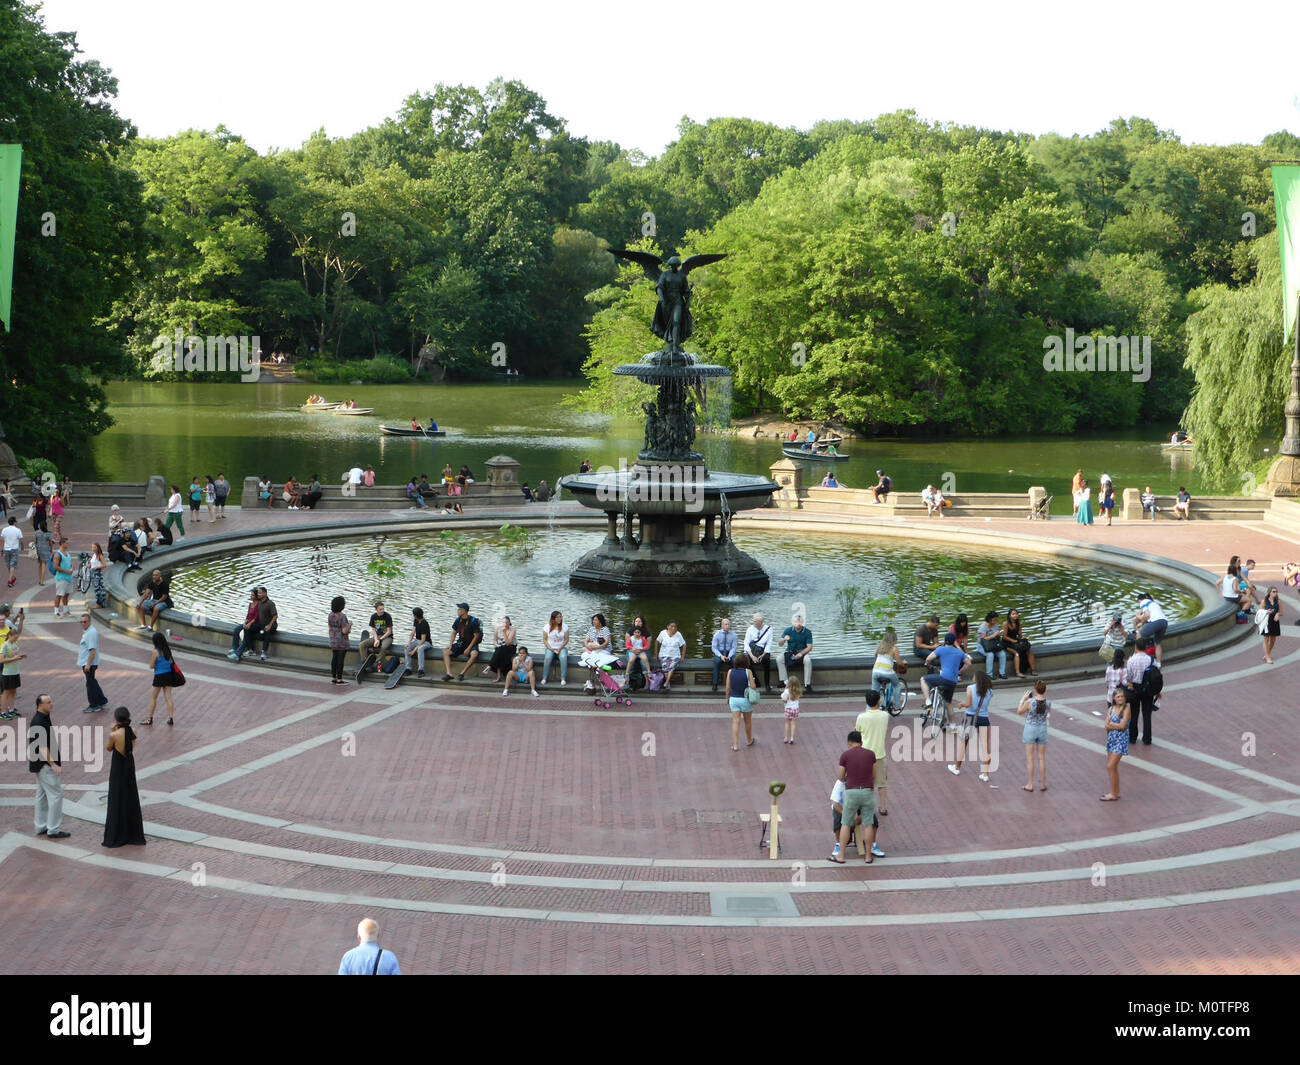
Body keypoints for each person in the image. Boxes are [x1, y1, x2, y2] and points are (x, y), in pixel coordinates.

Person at [829, 731, 877, 864]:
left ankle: (841, 856)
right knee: (868, 824)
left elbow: (840, 776)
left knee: (845, 823)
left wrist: (848, 778)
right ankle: (867, 856)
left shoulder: (845, 755)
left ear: (849, 743)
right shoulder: (870, 754)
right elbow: (874, 774)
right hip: (867, 791)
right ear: (861, 742)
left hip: (852, 791)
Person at [102, 707, 146, 848]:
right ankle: (133, 833)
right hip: (129, 763)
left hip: (118, 766)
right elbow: (131, 747)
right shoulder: (133, 731)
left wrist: (112, 731)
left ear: (116, 719)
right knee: (130, 795)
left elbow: (109, 748)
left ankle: (117, 833)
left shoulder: (115, 735)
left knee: (117, 796)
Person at [30, 694, 70, 838]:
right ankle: (53, 829)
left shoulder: (41, 718)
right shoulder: (39, 722)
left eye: (51, 701)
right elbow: (42, 746)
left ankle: (40, 826)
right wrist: (53, 764)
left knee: (41, 796)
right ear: (40, 705)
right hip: (45, 765)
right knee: (56, 795)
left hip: (39, 765)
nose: (51, 704)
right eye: (48, 702)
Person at [854, 689, 891, 827]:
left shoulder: (861, 717)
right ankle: (882, 807)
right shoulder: (884, 716)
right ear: (878, 701)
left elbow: (857, 732)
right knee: (881, 783)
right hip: (879, 754)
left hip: (864, 754)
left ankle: (864, 807)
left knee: (863, 783)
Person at [948, 671, 993, 780]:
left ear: (976, 679)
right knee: (985, 746)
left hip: (970, 718)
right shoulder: (990, 691)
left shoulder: (970, 688)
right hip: (983, 718)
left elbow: (969, 704)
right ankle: (985, 774)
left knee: (964, 743)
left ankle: (957, 768)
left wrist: (961, 704)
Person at [1123, 636, 1158, 745]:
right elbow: (1156, 675)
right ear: (1145, 647)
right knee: (1147, 714)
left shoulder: (1131, 661)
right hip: (1148, 689)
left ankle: (1133, 737)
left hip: (1135, 688)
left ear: (1136, 647)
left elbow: (1128, 677)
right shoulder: (1151, 659)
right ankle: (1147, 739)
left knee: (1134, 713)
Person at [923, 632, 970, 711]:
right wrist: (959, 672)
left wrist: (927, 664)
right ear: (954, 642)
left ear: (944, 642)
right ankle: (952, 723)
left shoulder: (941, 649)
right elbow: (968, 663)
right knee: (948, 703)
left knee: (923, 679)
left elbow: (928, 659)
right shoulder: (959, 652)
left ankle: (928, 701)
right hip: (953, 681)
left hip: (943, 678)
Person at [1018, 680, 1050, 791]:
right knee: (1041, 758)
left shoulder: (1030, 702)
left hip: (1030, 729)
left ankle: (1030, 784)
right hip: (1042, 729)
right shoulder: (1049, 702)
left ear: (1035, 690)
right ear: (1045, 690)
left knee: (1030, 758)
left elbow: (1019, 711)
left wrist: (1023, 700)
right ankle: (1042, 784)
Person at [1102, 687, 1131, 802]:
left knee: (1111, 766)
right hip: (1111, 739)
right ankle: (1115, 791)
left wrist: (1112, 724)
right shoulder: (1111, 709)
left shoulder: (1126, 709)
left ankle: (1113, 794)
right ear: (1114, 698)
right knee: (1111, 768)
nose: (1120, 698)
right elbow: (1106, 725)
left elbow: (1123, 726)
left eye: (1122, 696)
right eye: (1118, 696)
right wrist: (1115, 725)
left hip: (1121, 740)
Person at [144, 631, 179, 726]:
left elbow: (151, 666)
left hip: (159, 676)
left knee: (153, 697)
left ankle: (149, 719)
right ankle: (171, 718)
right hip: (169, 675)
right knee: (168, 697)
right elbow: (170, 662)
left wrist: (156, 664)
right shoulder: (168, 650)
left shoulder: (156, 651)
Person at [440, 603, 482, 681]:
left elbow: (476, 636)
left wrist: (468, 649)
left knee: (474, 654)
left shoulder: (473, 621)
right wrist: (450, 644)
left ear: (464, 611)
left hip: (471, 644)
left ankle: (462, 673)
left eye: (459, 609)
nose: (458, 611)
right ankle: (449, 674)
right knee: (445, 652)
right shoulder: (458, 620)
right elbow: (454, 633)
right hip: (461, 643)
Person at [77, 614, 109, 714]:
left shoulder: (90, 633)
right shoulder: (89, 632)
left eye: (85, 621)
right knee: (92, 682)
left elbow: (92, 651)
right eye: (81, 622)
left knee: (90, 684)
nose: (83, 624)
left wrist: (88, 664)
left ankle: (94, 705)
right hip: (89, 663)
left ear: (90, 622)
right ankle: (102, 700)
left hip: (89, 664)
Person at [726, 652, 757, 751]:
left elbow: (727, 688)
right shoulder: (748, 672)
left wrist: (727, 698)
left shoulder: (730, 671)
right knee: (747, 722)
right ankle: (749, 740)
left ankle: (735, 745)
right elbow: (753, 687)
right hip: (745, 699)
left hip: (733, 699)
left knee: (735, 722)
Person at [356, 600, 394, 678]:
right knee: (362, 645)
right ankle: (365, 663)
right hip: (378, 636)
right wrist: (376, 639)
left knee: (383, 647)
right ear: (376, 610)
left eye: (383, 609)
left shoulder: (387, 616)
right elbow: (373, 629)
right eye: (380, 609)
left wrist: (380, 640)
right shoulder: (373, 616)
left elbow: (389, 631)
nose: (382, 611)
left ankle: (375, 665)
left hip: (387, 637)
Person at [777, 614, 814, 691]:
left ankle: (807, 684)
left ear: (803, 622)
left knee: (808, 660)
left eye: (800, 622)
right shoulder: (788, 630)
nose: (798, 624)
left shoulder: (807, 632)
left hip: (802, 653)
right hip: (790, 652)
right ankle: (784, 681)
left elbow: (809, 647)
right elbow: (780, 644)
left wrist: (801, 653)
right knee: (779, 659)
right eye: (796, 622)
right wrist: (783, 640)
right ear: (793, 622)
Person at [870, 629, 902, 711]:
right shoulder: (894, 648)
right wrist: (903, 663)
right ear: (894, 640)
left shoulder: (880, 646)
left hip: (875, 671)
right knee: (897, 685)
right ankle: (897, 706)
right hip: (887, 672)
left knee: (874, 691)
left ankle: (869, 709)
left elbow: (876, 655)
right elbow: (899, 663)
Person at [1133, 593, 1168, 664]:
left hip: (1156, 622)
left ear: (1139, 600)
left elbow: (1147, 615)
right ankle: (1158, 663)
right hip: (1164, 622)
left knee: (1139, 636)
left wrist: (1141, 623)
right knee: (1157, 643)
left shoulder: (1143, 602)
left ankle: (1135, 657)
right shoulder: (1154, 603)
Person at [581, 613, 612, 691]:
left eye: (595, 620)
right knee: (584, 655)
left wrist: (597, 647)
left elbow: (606, 643)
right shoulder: (591, 629)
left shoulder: (605, 629)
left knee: (595, 656)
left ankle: (596, 672)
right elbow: (586, 640)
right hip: (593, 649)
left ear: (600, 621)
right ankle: (595, 670)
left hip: (604, 650)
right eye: (593, 620)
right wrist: (588, 646)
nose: (594, 621)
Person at [1, 624, 27, 719]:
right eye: (14, 638)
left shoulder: (15, 644)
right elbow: (2, 660)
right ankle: (3, 712)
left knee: (13, 691)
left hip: (15, 671)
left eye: (17, 638)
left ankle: (11, 709)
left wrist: (20, 656)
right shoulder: (5, 646)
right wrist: (14, 658)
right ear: (10, 636)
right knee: (6, 692)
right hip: (8, 673)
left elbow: (15, 656)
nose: (16, 639)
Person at [743, 612, 774, 691]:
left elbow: (769, 644)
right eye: (753, 621)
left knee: (767, 661)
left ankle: (767, 684)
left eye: (755, 621)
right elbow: (746, 644)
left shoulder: (769, 629)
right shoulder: (750, 629)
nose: (753, 623)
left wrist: (763, 655)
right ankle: (755, 681)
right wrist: (752, 656)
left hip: (763, 651)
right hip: (752, 650)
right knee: (747, 662)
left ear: (760, 622)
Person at [1002, 607, 1036, 676]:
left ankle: (1033, 670)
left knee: (1029, 651)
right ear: (1009, 616)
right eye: (1013, 614)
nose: (1015, 615)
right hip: (1007, 643)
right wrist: (1012, 640)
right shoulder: (1005, 624)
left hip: (1015, 640)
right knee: (1016, 653)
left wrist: (1022, 637)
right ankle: (1018, 672)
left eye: (1016, 614)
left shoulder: (1019, 624)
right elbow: (1004, 637)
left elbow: (1020, 634)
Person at [483, 615, 517, 682]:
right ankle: (497, 675)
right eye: (503, 622)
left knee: (500, 650)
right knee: (500, 651)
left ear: (509, 623)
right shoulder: (497, 629)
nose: (505, 624)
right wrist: (496, 644)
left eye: (506, 622)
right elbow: (495, 640)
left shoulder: (512, 629)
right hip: (501, 647)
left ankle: (490, 666)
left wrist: (504, 632)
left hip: (511, 647)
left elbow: (508, 643)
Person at [327, 596, 351, 685]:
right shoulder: (342, 616)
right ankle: (339, 679)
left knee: (334, 658)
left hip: (333, 639)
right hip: (341, 641)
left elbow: (330, 627)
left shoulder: (330, 615)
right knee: (340, 660)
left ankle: (333, 677)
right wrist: (350, 625)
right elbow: (345, 630)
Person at [402, 607, 433, 677]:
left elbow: (423, 640)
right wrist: (409, 643)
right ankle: (408, 668)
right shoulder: (416, 621)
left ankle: (421, 670)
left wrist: (414, 651)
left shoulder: (424, 624)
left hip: (426, 642)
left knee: (420, 649)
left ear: (415, 616)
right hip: (418, 640)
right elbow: (413, 632)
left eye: (413, 615)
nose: (413, 616)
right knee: (407, 648)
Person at [656, 620, 687, 690]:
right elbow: (657, 642)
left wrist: (682, 656)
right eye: (672, 626)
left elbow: (684, 645)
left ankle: (666, 683)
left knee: (671, 667)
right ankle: (667, 683)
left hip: (675, 655)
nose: (673, 628)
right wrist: (656, 653)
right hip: (663, 655)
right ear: (667, 627)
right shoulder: (662, 633)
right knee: (665, 669)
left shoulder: (678, 634)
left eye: (675, 627)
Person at [976, 611, 1007, 678]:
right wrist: (993, 635)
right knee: (990, 655)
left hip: (993, 645)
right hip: (983, 646)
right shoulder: (983, 627)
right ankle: (989, 674)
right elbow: (983, 639)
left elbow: (997, 637)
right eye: (994, 620)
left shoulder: (995, 626)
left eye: (996, 619)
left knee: (1002, 654)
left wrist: (999, 635)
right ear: (990, 619)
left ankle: (1002, 673)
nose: (996, 621)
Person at [710, 617, 737, 691]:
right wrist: (720, 656)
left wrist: (729, 656)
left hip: (729, 652)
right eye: (726, 624)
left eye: (728, 624)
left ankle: (734, 683)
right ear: (722, 626)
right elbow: (714, 648)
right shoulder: (717, 634)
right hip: (720, 652)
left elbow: (734, 648)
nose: (727, 626)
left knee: (735, 662)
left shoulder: (733, 635)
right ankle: (715, 684)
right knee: (717, 662)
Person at [1258, 587, 1283, 664]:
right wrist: (1267, 612)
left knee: (1273, 640)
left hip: (1274, 622)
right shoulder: (1264, 601)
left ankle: (1267, 654)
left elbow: (1282, 612)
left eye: (1276, 592)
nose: (1275, 593)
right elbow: (1260, 613)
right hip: (1266, 622)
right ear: (1269, 592)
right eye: (1273, 591)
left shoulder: (1278, 602)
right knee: (1266, 638)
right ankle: (1268, 657)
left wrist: (1278, 614)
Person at [781, 675, 801, 744]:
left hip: (788, 709)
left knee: (787, 723)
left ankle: (786, 738)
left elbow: (785, 699)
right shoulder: (798, 691)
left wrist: (782, 699)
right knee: (793, 723)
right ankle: (792, 738)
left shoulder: (787, 691)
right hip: (795, 709)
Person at [3, 516, 22, 588]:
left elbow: (2, 539)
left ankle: (11, 578)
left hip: (6, 548)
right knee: (12, 564)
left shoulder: (4, 529)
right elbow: (21, 539)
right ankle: (10, 579)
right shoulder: (18, 530)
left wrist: (2, 549)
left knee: (8, 564)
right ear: (14, 522)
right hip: (14, 548)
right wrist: (22, 546)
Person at [88, 542, 107, 607]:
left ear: (98, 548)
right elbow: (93, 563)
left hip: (97, 573)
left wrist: (97, 567)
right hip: (93, 572)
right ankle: (99, 602)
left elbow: (104, 565)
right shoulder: (94, 555)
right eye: (92, 547)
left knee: (98, 588)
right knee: (96, 588)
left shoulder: (100, 555)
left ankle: (99, 603)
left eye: (94, 547)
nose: (93, 549)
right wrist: (90, 565)